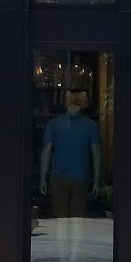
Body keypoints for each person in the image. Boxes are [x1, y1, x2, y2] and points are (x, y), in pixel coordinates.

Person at [39, 89, 102, 218]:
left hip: (68, 177)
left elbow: (46, 151)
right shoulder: (90, 126)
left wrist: (42, 178)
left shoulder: (55, 124)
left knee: (63, 219)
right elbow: (96, 153)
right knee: (75, 220)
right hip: (72, 177)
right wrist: (97, 181)